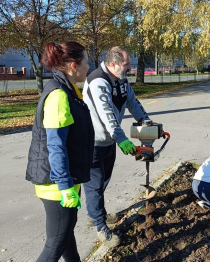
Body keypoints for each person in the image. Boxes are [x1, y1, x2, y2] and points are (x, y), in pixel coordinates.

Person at [26, 41, 94, 261]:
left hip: (65, 179)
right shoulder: (58, 95)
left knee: (65, 236)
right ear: (74, 66)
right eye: (86, 62)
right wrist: (65, 187)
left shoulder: (69, 89)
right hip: (56, 184)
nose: (88, 67)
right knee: (55, 243)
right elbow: (55, 145)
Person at [82, 46, 151, 247]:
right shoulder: (97, 81)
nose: (130, 67)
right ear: (113, 64)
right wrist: (121, 138)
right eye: (126, 64)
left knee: (104, 180)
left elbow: (133, 103)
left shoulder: (120, 80)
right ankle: (100, 226)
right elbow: (106, 114)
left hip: (109, 141)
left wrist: (148, 124)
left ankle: (94, 213)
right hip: (92, 142)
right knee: (94, 186)